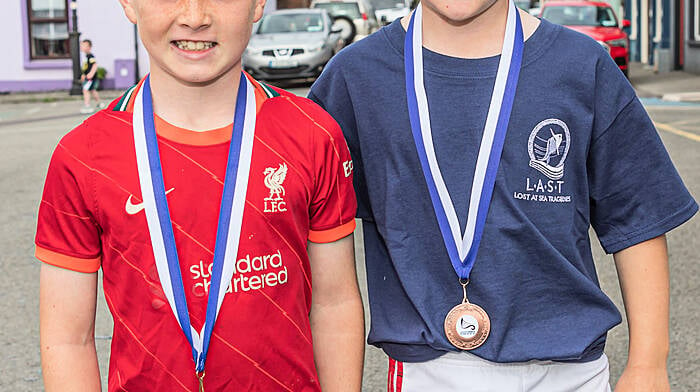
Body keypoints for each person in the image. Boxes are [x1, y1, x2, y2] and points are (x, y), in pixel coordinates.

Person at [309, 0, 697, 390]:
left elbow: (638, 217)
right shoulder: (355, 77)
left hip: (571, 373)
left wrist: (648, 363)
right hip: (426, 373)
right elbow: (311, 236)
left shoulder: (583, 66)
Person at [36, 0, 365, 391]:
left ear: (258, 4)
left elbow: (335, 304)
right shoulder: (83, 155)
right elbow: (67, 340)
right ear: (128, 3)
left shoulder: (313, 135)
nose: (195, 17)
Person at [79, 39, 105, 113]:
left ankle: (87, 106)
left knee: (85, 90)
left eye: (84, 45)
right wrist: (83, 74)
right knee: (93, 90)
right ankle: (99, 103)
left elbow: (94, 65)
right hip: (88, 77)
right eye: (82, 45)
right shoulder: (86, 57)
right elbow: (86, 68)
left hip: (90, 78)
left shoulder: (90, 56)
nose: (82, 47)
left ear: (89, 47)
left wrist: (91, 74)